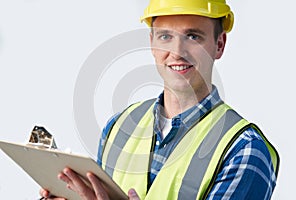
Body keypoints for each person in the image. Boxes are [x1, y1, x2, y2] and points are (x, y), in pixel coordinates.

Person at [40, 0, 280, 199]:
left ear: (219, 44)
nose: (177, 51)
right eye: (165, 36)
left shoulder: (244, 149)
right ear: (152, 42)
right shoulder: (119, 127)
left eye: (193, 36)